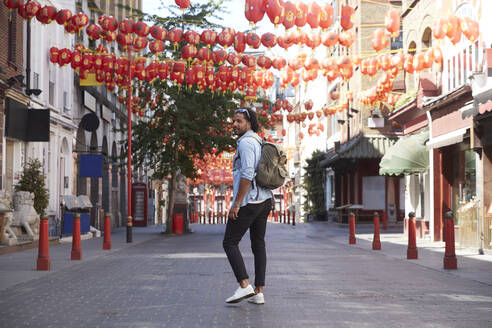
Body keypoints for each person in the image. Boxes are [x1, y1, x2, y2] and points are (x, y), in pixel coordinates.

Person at [223, 107, 272, 305]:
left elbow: (247, 174)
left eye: (239, 121)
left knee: (229, 242)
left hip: (250, 201)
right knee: (258, 244)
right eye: (234, 121)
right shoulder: (258, 141)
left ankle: (244, 286)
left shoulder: (245, 143)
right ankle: (259, 292)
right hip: (265, 200)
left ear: (249, 123)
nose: (235, 124)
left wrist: (236, 204)